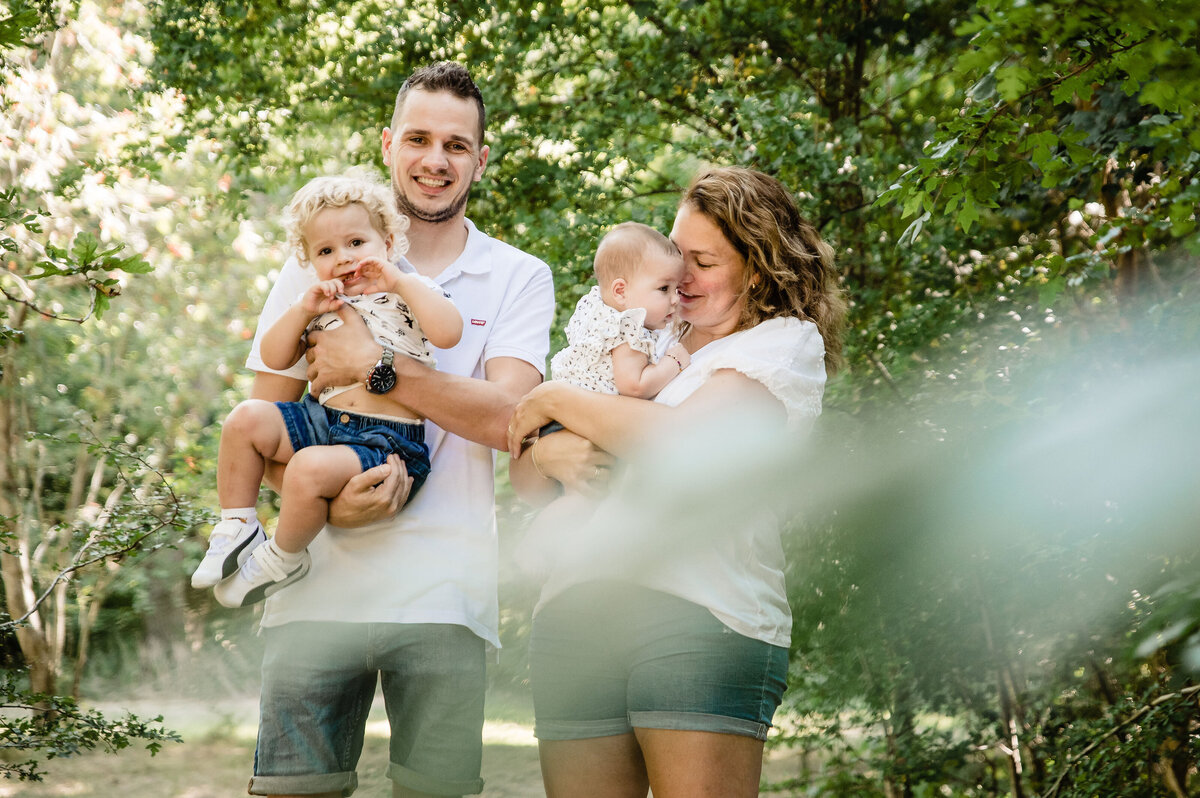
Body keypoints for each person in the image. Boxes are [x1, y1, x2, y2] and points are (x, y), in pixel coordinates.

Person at [238, 62, 555, 798]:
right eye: (418, 138)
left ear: (481, 158)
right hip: (315, 591)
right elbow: (265, 425)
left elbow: (511, 421)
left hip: (445, 596)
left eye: (455, 144)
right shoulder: (317, 260)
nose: (435, 160)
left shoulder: (516, 276)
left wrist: (378, 366)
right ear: (389, 145)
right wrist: (317, 496)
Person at [506, 166, 846, 798]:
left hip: (699, 617)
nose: (680, 276)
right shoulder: (642, 336)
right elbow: (526, 479)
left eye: (704, 261)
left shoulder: (781, 345)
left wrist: (553, 399)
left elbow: (674, 444)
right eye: (675, 254)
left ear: (758, 264)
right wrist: (549, 454)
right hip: (575, 610)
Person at [190, 171, 463, 608]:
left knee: (307, 469)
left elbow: (449, 333)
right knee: (244, 419)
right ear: (310, 261)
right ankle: (237, 525)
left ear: (388, 244)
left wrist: (399, 282)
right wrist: (303, 309)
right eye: (326, 250)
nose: (343, 258)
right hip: (324, 421)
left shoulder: (409, 291)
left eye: (357, 243)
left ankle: (285, 556)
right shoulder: (320, 304)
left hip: (385, 440)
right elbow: (275, 356)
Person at [516, 222, 690, 576]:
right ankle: (533, 553)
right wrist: (673, 362)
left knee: (585, 499)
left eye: (676, 288)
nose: (675, 298)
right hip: (584, 423)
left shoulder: (598, 309)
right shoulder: (629, 327)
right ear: (622, 291)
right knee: (584, 499)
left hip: (567, 419)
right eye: (664, 288)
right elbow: (634, 385)